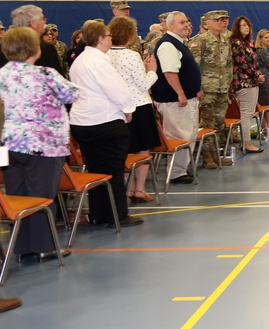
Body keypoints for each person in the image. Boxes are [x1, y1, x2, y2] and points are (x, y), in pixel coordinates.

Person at [0, 26, 78, 259]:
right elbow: (71, 94)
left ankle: (23, 247)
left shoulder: (2, 74)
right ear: (35, 49)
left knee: (18, 195)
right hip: (43, 145)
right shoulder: (45, 74)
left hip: (8, 144)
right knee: (42, 197)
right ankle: (44, 247)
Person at [69, 21, 143, 228]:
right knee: (113, 171)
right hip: (104, 120)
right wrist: (128, 108)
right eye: (109, 35)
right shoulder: (99, 62)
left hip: (82, 122)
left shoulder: (81, 59)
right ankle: (117, 216)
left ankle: (99, 213)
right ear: (100, 39)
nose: (111, 38)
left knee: (96, 170)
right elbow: (117, 89)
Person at [108, 16, 160, 203]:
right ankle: (139, 189)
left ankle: (125, 189)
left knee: (124, 150)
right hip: (138, 105)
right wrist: (152, 70)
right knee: (142, 150)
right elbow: (143, 83)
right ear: (130, 35)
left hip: (116, 108)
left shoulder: (106, 54)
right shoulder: (131, 55)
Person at [151, 11, 203, 185]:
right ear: (171, 25)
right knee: (180, 135)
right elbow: (169, 71)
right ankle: (176, 172)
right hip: (174, 101)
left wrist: (196, 88)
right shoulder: (168, 44)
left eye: (187, 22)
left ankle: (180, 168)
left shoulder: (179, 43)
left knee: (189, 134)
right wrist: (180, 93)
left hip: (185, 98)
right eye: (182, 22)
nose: (187, 25)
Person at [189, 10, 233, 168]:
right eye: (219, 20)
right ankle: (207, 156)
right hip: (206, 89)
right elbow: (193, 67)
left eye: (225, 19)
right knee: (207, 123)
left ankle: (217, 154)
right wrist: (198, 88)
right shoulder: (200, 41)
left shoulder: (225, 40)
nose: (223, 22)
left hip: (222, 88)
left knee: (220, 123)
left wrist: (228, 83)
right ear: (208, 23)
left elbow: (228, 64)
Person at [230, 15, 265, 154]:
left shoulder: (247, 43)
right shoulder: (237, 43)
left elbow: (253, 63)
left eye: (248, 25)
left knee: (248, 114)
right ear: (237, 28)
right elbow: (243, 63)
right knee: (246, 115)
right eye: (243, 25)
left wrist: (257, 76)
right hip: (244, 83)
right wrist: (257, 76)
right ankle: (247, 144)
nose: (246, 27)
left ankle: (246, 141)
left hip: (252, 82)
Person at [9, 5, 64, 76]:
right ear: (33, 23)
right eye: (42, 19)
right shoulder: (45, 48)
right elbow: (57, 80)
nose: (44, 22)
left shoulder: (5, 47)